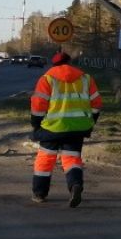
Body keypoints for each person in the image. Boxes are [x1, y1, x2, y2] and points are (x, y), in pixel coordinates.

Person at [30, 51, 102, 207]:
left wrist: (36, 124)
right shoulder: (86, 78)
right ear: (70, 62)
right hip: (77, 128)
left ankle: (39, 193)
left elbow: (38, 107)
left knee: (45, 159)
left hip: (52, 128)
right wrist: (90, 122)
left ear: (54, 64)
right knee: (72, 158)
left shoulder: (47, 79)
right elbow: (96, 105)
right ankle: (75, 184)